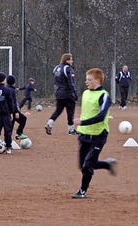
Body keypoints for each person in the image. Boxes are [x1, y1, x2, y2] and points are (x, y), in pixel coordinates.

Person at [71, 68, 117, 199]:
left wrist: (82, 122)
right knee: (83, 165)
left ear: (97, 80)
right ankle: (107, 164)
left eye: (89, 80)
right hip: (84, 134)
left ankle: (82, 191)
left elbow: (101, 116)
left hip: (98, 134)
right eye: (86, 79)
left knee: (87, 165)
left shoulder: (104, 96)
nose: (86, 82)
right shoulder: (85, 93)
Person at [45, 53, 79, 136]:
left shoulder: (56, 68)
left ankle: (49, 123)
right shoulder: (68, 68)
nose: (72, 61)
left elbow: (56, 81)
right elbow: (71, 82)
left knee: (58, 110)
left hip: (58, 93)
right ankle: (71, 130)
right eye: (71, 59)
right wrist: (75, 93)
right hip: (67, 93)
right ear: (66, 60)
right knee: (70, 111)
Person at [0, 72, 15, 155]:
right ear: (4, 80)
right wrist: (11, 112)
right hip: (5, 114)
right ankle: (8, 148)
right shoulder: (7, 90)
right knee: (7, 131)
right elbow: (10, 102)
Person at [6, 75, 28, 140]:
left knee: (23, 119)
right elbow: (13, 102)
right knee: (11, 125)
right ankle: (9, 141)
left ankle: (18, 134)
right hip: (12, 111)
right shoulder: (12, 90)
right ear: (14, 83)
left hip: (10, 110)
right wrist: (16, 111)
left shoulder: (7, 88)